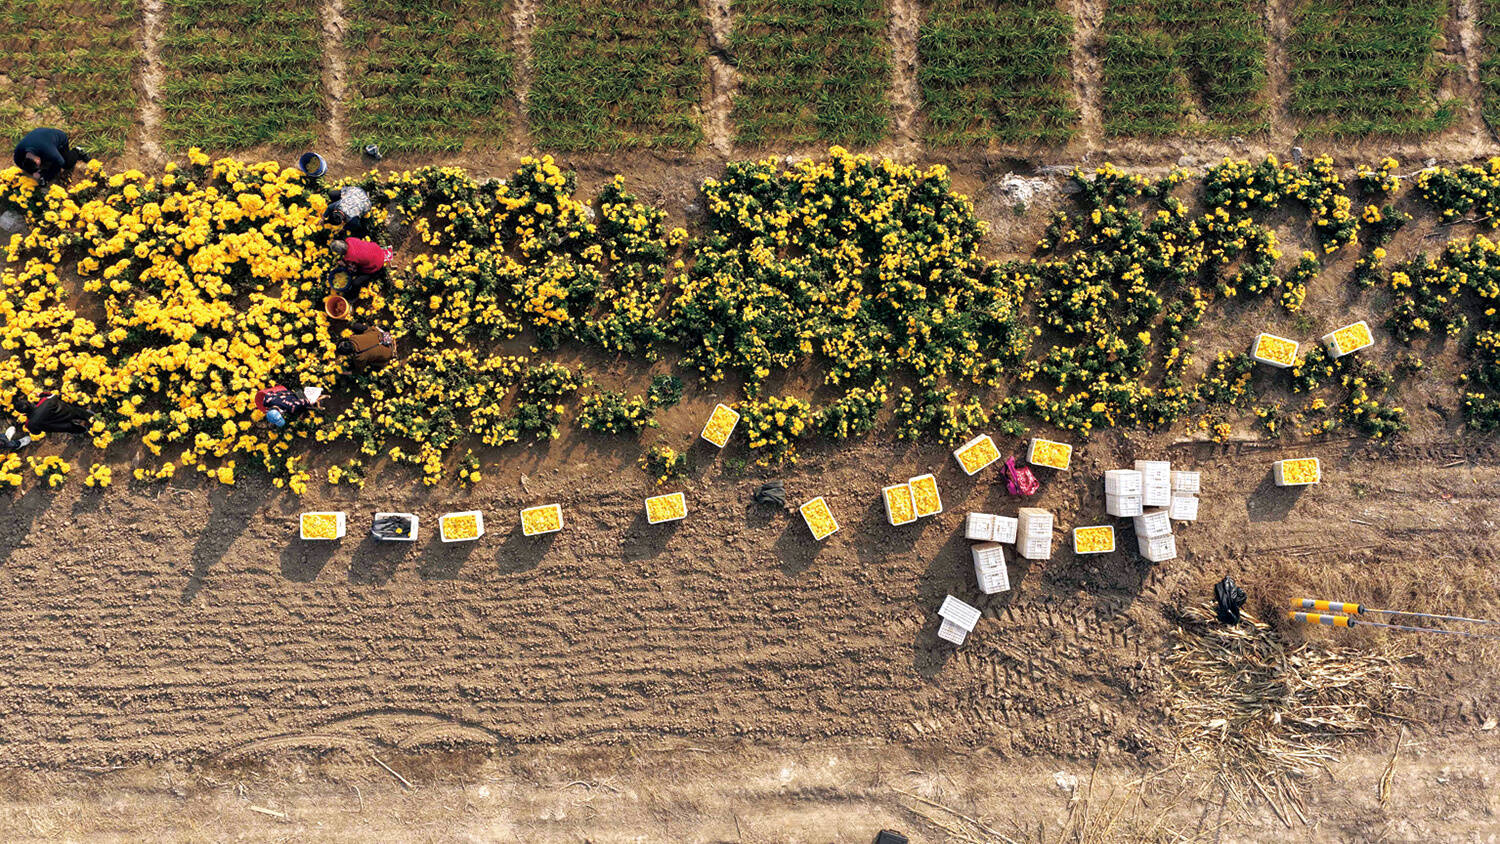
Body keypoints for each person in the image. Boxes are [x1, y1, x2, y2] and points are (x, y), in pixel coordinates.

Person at [13, 128, 85, 184]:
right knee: (48, 161)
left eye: (38, 165)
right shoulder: (19, 152)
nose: (40, 167)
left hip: (59, 138)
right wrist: (32, 172)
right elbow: (18, 163)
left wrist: (46, 177)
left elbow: (60, 162)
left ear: (37, 159)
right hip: (40, 135)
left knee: (67, 164)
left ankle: (77, 150)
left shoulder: (47, 149)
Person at [328, 237, 392, 300]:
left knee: (356, 283)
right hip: (377, 250)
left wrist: (344, 264)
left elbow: (354, 269)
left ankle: (353, 297)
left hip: (376, 264)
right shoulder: (350, 240)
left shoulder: (350, 257)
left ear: (340, 253)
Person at [13, 392, 93, 435]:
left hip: (60, 426)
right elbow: (53, 395)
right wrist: (41, 394)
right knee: (79, 413)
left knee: (72, 428)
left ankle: (85, 431)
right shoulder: (45, 401)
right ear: (29, 402)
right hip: (66, 412)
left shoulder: (29, 424)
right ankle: (92, 418)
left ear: (22, 413)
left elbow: (37, 432)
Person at [254, 385, 327, 429]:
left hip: (296, 396)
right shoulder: (267, 401)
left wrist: (309, 402)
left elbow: (304, 402)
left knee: (305, 407)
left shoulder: (291, 407)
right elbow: (270, 392)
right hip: (285, 392)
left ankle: (321, 400)